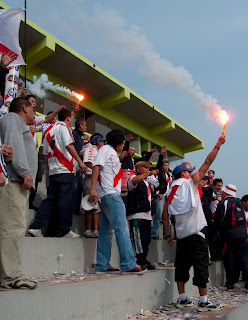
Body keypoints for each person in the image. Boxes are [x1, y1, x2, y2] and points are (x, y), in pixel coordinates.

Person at [163, 134, 225, 311]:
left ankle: (182, 298)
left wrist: (168, 234)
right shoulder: (190, 183)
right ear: (183, 173)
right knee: (201, 266)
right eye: (188, 170)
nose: (191, 172)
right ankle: (204, 301)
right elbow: (208, 162)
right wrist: (218, 145)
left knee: (181, 266)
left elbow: (165, 216)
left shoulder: (170, 192)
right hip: (197, 234)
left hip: (181, 236)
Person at [90, 129, 146, 274]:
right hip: (110, 195)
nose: (124, 145)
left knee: (105, 232)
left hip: (108, 195)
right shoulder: (105, 149)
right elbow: (96, 167)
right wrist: (92, 189)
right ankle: (128, 263)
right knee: (121, 228)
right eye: (123, 142)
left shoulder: (111, 152)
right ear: (119, 142)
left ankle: (102, 264)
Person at [28, 109, 87, 238]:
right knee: (65, 201)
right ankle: (64, 230)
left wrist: (49, 169)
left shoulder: (49, 131)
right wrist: (80, 162)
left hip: (54, 171)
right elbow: (69, 146)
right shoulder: (64, 128)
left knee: (50, 200)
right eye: (71, 118)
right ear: (67, 118)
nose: (72, 121)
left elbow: (44, 154)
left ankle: (36, 226)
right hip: (65, 170)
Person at [0, 97, 37, 289]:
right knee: (12, 228)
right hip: (14, 181)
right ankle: (10, 276)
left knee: (14, 228)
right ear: (24, 107)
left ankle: (8, 274)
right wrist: (25, 171)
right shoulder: (13, 118)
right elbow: (13, 144)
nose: (34, 112)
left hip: (18, 183)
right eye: (32, 108)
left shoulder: (16, 121)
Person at [215, 184, 248, 290]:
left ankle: (230, 282)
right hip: (242, 234)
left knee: (229, 258)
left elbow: (219, 220)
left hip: (229, 234)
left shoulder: (223, 203)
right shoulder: (239, 202)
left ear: (226, 192)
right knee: (243, 259)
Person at [127, 161, 158, 270]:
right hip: (137, 215)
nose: (147, 169)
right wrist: (149, 174)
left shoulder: (146, 183)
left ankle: (144, 258)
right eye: (145, 167)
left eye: (148, 168)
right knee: (138, 238)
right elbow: (134, 181)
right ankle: (140, 259)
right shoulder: (133, 178)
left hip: (147, 215)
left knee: (146, 238)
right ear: (138, 169)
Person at [82, 133, 105, 238]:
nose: (103, 144)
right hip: (90, 178)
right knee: (89, 204)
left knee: (97, 206)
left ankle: (95, 230)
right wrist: (98, 171)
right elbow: (87, 162)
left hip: (97, 180)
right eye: (102, 142)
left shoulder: (100, 151)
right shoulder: (91, 148)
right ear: (98, 142)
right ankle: (88, 230)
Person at [151, 145, 172, 239]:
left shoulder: (170, 175)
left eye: (167, 165)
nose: (166, 167)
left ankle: (166, 235)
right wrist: (161, 154)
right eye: (164, 165)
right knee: (158, 215)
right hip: (161, 196)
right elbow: (159, 163)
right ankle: (154, 233)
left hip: (168, 198)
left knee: (167, 217)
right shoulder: (160, 173)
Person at [72, 118, 87, 215]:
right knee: (75, 187)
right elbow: (71, 149)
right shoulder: (74, 135)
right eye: (85, 125)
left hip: (78, 167)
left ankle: (76, 208)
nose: (86, 127)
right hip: (73, 166)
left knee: (79, 188)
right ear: (80, 126)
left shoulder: (79, 137)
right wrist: (80, 154)